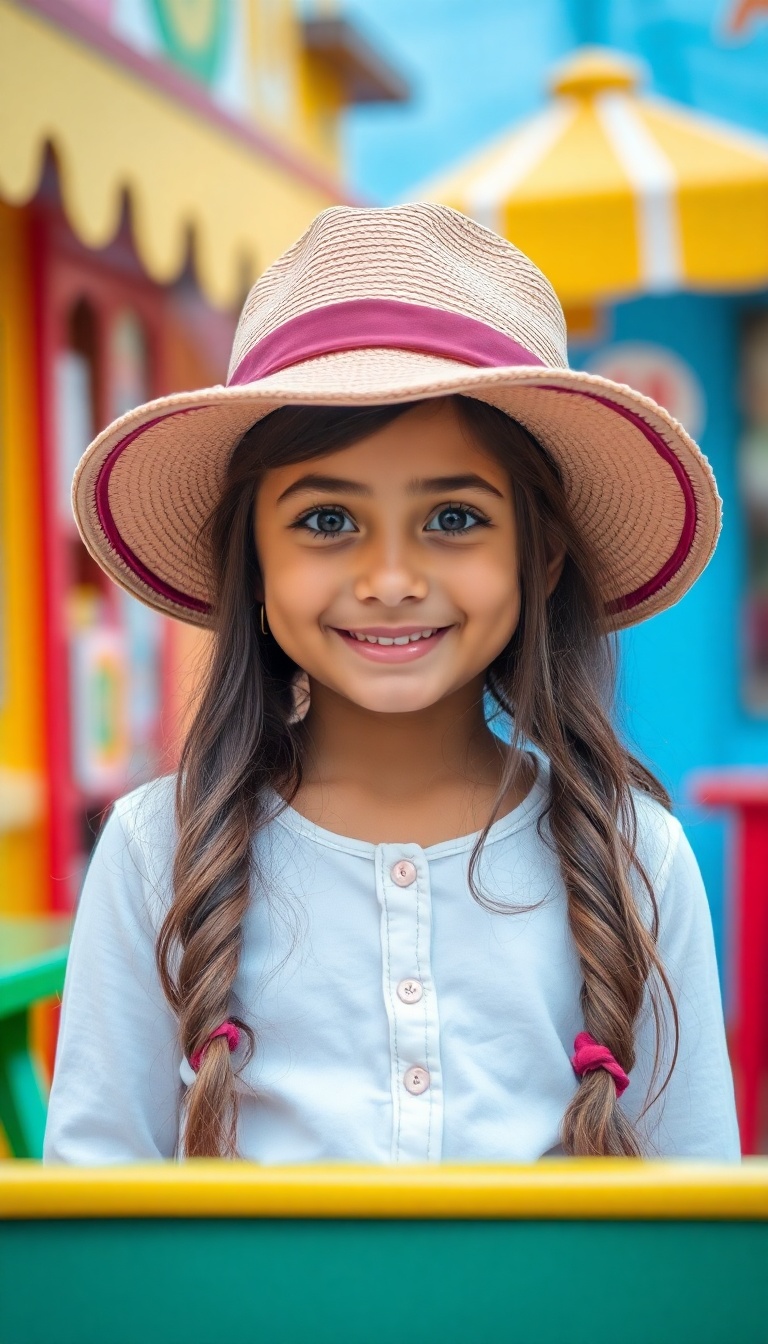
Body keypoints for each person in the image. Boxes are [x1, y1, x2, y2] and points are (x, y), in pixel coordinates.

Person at [44, 203, 740, 1164]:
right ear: (253, 562)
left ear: (540, 557)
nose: (390, 579)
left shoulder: (637, 859)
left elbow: (694, 1223)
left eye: (454, 518)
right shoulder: (154, 853)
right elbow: (95, 1208)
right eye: (327, 521)